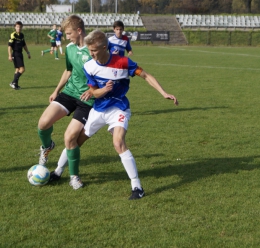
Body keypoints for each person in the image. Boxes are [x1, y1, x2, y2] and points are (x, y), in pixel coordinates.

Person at [80, 30, 178, 200]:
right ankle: (58, 171)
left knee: (118, 143)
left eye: (94, 50)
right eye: (89, 50)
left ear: (104, 47)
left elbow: (145, 75)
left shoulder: (123, 62)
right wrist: (99, 91)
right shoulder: (89, 66)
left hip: (119, 107)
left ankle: (137, 187)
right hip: (98, 109)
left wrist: (163, 92)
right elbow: (93, 92)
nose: (91, 54)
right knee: (76, 141)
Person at [37, 15, 94, 190]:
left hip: (87, 99)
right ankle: (47, 147)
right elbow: (68, 71)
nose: (66, 37)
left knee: (70, 137)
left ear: (79, 31)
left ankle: (74, 176)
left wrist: (95, 90)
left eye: (69, 33)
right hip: (69, 93)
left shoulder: (94, 49)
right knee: (43, 123)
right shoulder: (69, 49)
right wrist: (56, 90)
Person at [8, 21, 31, 90]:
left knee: (17, 69)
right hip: (15, 53)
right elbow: (9, 46)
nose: (19, 28)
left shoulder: (22, 35)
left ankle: (15, 85)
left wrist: (28, 52)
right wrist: (9, 55)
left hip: (20, 53)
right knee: (22, 69)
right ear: (15, 27)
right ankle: (13, 82)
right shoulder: (13, 35)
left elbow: (24, 45)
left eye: (20, 27)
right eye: (17, 27)